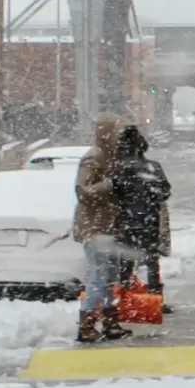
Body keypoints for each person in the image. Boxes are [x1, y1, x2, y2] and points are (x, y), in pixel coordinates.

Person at [74, 113, 132, 343]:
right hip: (95, 227)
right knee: (99, 277)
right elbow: (83, 190)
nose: (120, 136)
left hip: (108, 227)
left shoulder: (111, 156)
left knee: (109, 276)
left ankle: (110, 321)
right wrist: (111, 184)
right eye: (117, 131)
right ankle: (86, 325)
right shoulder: (94, 158)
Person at [113, 125, 174, 314]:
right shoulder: (152, 167)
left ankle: (123, 298)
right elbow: (165, 191)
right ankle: (154, 299)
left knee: (126, 261)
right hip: (149, 220)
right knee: (151, 261)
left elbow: (113, 194)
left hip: (126, 221)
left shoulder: (118, 168)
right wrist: (151, 199)